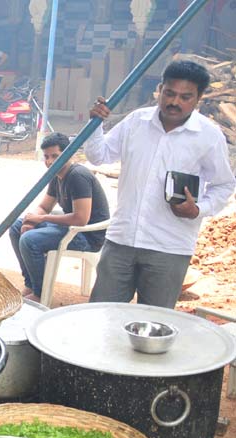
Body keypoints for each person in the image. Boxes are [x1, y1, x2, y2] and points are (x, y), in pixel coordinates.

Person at [85, 60, 236, 309]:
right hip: (121, 241)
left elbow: (224, 185)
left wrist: (199, 209)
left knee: (155, 322)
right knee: (103, 316)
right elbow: (99, 156)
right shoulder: (136, 122)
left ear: (198, 98)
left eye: (185, 97)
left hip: (169, 247)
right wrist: (95, 125)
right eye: (169, 93)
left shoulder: (208, 136)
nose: (174, 102)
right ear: (160, 89)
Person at [9, 132, 110, 302]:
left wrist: (42, 219)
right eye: (46, 157)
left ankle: (41, 293)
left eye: (55, 156)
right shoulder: (57, 176)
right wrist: (32, 220)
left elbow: (81, 218)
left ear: (68, 154)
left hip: (87, 236)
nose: (49, 162)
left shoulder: (78, 176)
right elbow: (43, 207)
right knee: (16, 228)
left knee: (29, 240)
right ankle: (31, 283)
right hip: (71, 228)